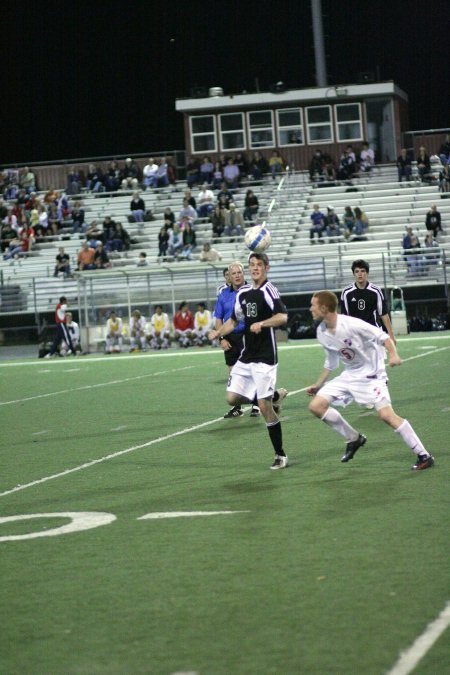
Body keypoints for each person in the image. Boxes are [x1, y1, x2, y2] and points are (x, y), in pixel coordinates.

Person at [306, 290, 434, 471]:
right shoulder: (321, 331)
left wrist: (394, 355)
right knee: (316, 406)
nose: (310, 308)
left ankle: (424, 456)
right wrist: (318, 384)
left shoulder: (352, 324)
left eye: (313, 305)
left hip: (372, 376)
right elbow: (331, 361)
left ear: (325, 308)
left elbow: (384, 338)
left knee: (387, 416)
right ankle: (354, 438)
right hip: (350, 375)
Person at [208, 252, 289, 470]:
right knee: (232, 398)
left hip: (265, 357)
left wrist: (262, 324)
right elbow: (234, 320)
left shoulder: (269, 290)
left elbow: (283, 317)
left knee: (263, 408)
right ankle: (274, 396)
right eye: (251, 265)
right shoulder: (243, 293)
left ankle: (280, 454)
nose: (254, 268)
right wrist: (219, 334)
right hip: (247, 355)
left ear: (266, 268)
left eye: (258, 265)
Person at [213, 261, 260, 418]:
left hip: (249, 335)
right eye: (233, 274)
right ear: (229, 277)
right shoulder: (223, 295)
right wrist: (221, 338)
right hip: (230, 337)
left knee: (252, 370)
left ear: (243, 273)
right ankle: (237, 407)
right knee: (233, 372)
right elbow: (218, 318)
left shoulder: (253, 290)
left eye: (239, 272)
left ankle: (256, 404)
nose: (236, 276)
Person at [340, 259, 396, 345]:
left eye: (363, 271)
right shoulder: (346, 292)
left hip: (374, 332)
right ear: (353, 274)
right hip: (355, 335)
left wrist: (391, 336)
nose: (360, 274)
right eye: (357, 271)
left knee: (378, 358)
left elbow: (384, 315)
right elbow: (344, 317)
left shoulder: (376, 291)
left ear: (367, 273)